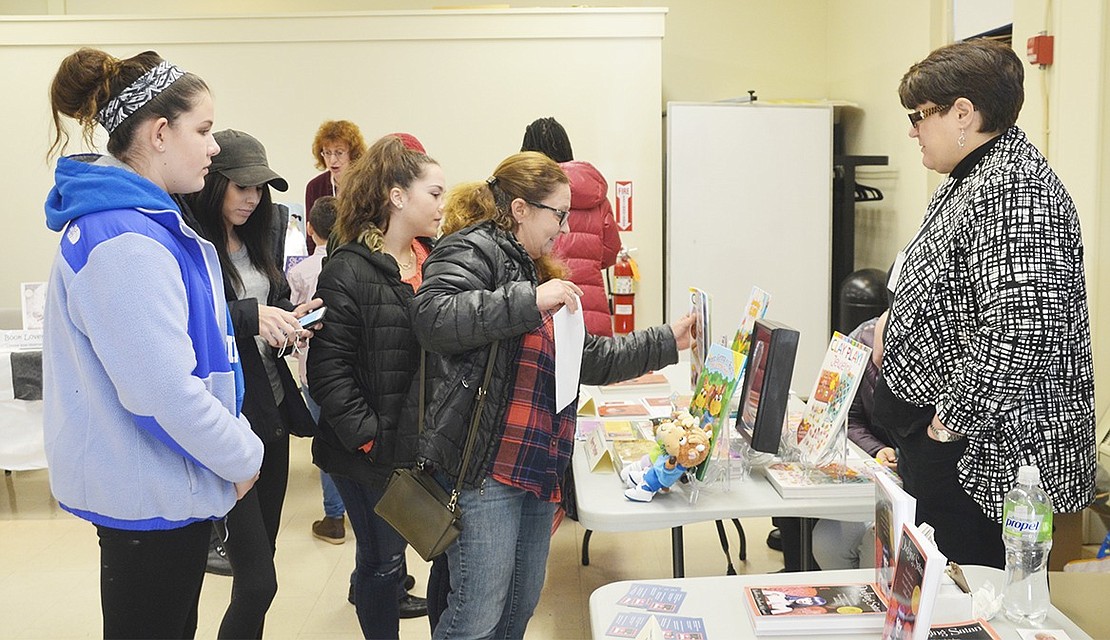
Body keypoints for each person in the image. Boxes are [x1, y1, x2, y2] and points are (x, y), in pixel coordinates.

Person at [411, 151, 695, 639]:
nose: (563, 228)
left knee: (519, 607)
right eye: (557, 214)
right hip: (486, 468)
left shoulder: (535, 266)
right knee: (475, 615)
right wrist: (529, 299)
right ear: (520, 208)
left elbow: (589, 357)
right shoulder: (472, 249)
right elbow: (433, 317)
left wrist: (668, 340)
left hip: (535, 464)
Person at [42, 47, 263, 638]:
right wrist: (243, 456)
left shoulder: (139, 223)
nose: (215, 147)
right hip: (151, 499)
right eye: (205, 129)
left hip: (160, 490)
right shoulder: (125, 240)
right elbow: (161, 393)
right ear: (160, 133)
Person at [874, 38, 1095, 569]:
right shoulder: (973, 177)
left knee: (972, 610)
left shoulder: (1016, 190)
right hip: (955, 446)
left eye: (919, 115)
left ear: (963, 114)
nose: (912, 129)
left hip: (984, 459)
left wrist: (945, 425)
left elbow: (1020, 337)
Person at [182, 129, 318, 639]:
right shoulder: (191, 243)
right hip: (227, 420)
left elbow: (267, 309)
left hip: (272, 412)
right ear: (214, 182)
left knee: (259, 576)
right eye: (241, 187)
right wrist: (251, 316)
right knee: (259, 581)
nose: (252, 198)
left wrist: (289, 318)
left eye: (259, 189)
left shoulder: (258, 237)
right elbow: (195, 321)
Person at [307, 134, 443, 638]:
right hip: (367, 452)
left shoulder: (437, 263)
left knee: (418, 552)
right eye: (433, 193)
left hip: (419, 445)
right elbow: (328, 372)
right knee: (383, 561)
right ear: (397, 195)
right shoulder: (348, 269)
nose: (441, 205)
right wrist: (372, 438)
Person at [520, 116, 621, 337]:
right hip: (590, 307)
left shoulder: (524, 194)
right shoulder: (597, 196)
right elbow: (610, 253)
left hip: (542, 309)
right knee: (598, 363)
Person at [811, 314, 896, 570]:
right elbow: (849, 419)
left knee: (875, 548)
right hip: (874, 473)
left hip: (915, 483)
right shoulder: (861, 338)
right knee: (827, 542)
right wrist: (878, 449)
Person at [287, 196, 347, 544]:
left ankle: (333, 516)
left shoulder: (300, 271)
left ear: (310, 230)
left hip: (312, 370)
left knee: (326, 440)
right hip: (346, 369)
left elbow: (296, 317)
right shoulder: (352, 265)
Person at [305, 120, 367, 253]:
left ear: (353, 154)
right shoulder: (314, 186)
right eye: (327, 152)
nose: (332, 160)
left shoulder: (365, 185)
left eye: (339, 153)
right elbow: (311, 234)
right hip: (324, 257)